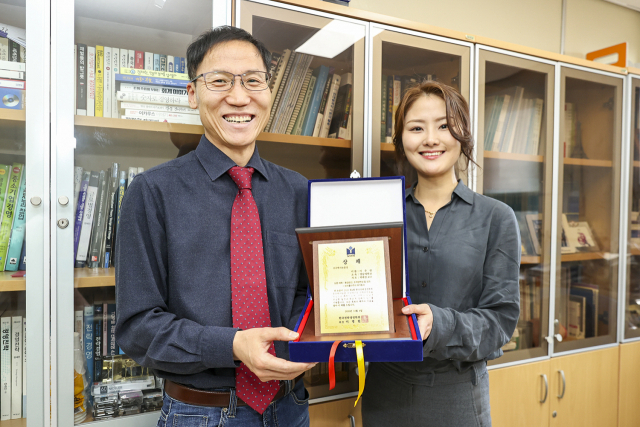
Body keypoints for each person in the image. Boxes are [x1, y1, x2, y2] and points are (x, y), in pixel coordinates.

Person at [115, 26, 315, 427]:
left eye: (253, 81)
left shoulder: (299, 190)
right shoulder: (151, 192)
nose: (239, 97)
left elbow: (308, 295)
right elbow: (137, 327)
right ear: (192, 94)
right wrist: (234, 345)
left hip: (291, 406)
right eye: (219, 81)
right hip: (200, 413)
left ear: (269, 93)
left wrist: (310, 337)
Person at [361, 81, 520, 427]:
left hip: (458, 395)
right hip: (384, 393)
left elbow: (501, 321)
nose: (430, 139)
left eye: (444, 126)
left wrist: (438, 323)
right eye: (417, 128)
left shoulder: (496, 218)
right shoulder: (377, 213)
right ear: (402, 140)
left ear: (462, 134)